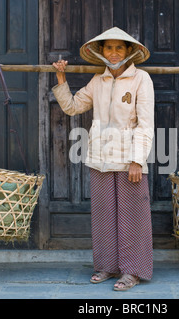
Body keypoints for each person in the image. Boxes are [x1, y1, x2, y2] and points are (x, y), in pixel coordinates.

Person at [51, 27, 154, 291]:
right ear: (102, 52)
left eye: (120, 48)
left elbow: (145, 125)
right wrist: (61, 79)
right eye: (109, 48)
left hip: (129, 159)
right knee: (104, 214)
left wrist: (137, 161)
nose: (114, 53)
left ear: (129, 51)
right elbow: (73, 106)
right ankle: (108, 266)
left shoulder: (141, 79)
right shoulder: (98, 81)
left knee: (132, 216)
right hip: (100, 158)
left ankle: (132, 271)